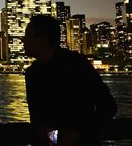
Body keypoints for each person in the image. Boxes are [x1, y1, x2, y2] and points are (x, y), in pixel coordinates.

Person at [24, 15, 117, 146]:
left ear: (43, 39)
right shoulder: (32, 73)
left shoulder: (76, 64)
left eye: (28, 35)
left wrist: (79, 133)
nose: (24, 40)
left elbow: (108, 106)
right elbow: (37, 118)